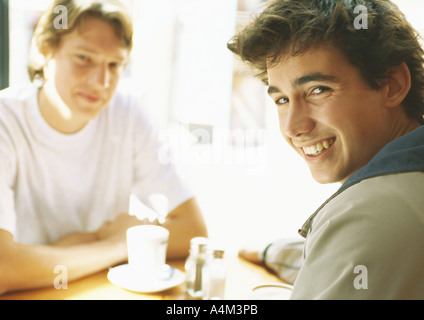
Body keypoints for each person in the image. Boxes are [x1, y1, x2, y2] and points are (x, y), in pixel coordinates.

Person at [0, 0, 207, 295]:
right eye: (84, 57)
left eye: (114, 64)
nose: (101, 81)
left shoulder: (129, 114)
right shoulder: (5, 120)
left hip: (99, 289)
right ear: (44, 51)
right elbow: (3, 270)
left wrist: (72, 248)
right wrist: (115, 243)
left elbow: (193, 231)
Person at [228, 0, 424, 299]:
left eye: (318, 90)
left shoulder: (368, 211)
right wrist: (271, 252)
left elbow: (360, 241)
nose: (293, 127)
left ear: (393, 84)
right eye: (281, 100)